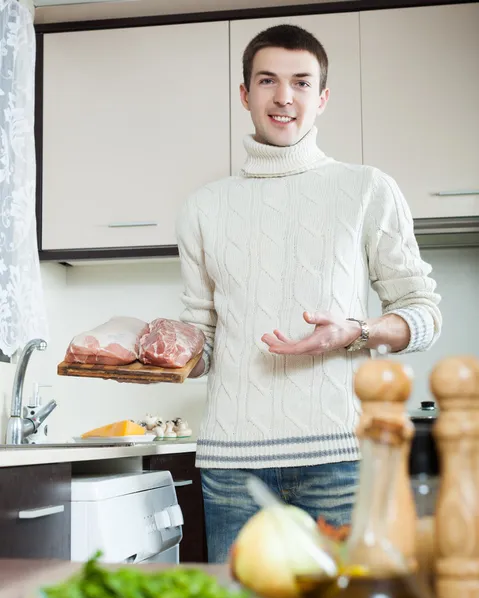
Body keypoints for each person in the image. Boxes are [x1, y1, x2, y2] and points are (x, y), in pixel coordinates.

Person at [175, 24, 442, 563]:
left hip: (339, 458)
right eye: (267, 80)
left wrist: (355, 332)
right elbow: (201, 341)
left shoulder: (367, 188)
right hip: (232, 465)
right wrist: (151, 354)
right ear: (245, 94)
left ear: (321, 98)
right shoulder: (203, 207)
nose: (284, 97)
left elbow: (423, 313)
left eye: (301, 82)